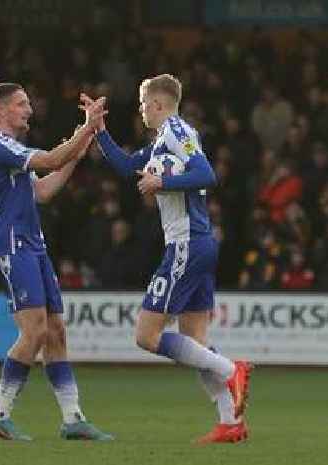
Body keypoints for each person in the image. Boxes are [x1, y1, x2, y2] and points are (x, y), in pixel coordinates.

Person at [82, 74, 252, 444]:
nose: (141, 110)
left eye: (143, 104)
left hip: (187, 244)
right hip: (196, 243)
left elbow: (206, 174)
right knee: (194, 340)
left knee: (146, 336)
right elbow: (128, 167)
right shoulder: (162, 141)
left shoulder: (177, 129)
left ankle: (231, 369)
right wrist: (98, 130)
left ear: (158, 104)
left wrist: (162, 184)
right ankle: (230, 423)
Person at [0, 83, 112, 441]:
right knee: (34, 331)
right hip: (12, 244)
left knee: (55, 331)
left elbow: (43, 190)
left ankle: (73, 419)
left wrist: (80, 147)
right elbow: (51, 159)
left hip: (32, 243)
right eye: (22, 104)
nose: (29, 110)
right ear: (2, 110)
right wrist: (84, 130)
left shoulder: (11, 151)